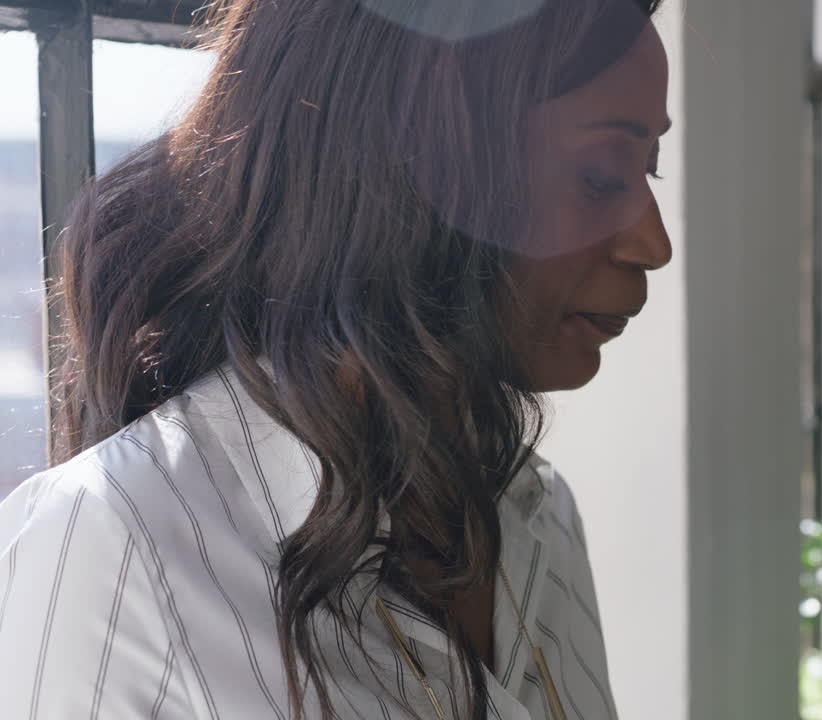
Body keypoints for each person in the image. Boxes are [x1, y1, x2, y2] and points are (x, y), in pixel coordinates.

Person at [0, 0, 671, 717]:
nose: (653, 244)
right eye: (601, 177)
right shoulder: (111, 542)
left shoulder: (537, 514)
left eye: (649, 171)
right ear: (409, 172)